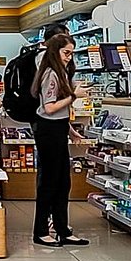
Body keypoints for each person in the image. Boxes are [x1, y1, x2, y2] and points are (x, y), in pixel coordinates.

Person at [30, 30, 87, 247]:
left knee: (63, 183)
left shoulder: (61, 72)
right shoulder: (51, 74)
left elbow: (59, 112)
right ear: (55, 52)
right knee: (49, 183)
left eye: (71, 53)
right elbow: (50, 107)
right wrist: (74, 96)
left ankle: (63, 229)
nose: (69, 57)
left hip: (58, 129)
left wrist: (70, 130)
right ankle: (41, 231)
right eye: (66, 53)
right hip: (48, 131)